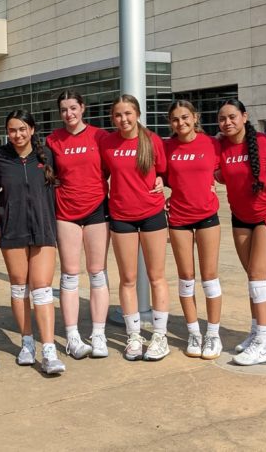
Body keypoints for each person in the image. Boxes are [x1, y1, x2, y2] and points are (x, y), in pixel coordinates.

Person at [218, 99, 266, 365]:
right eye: (222, 119)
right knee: (252, 279)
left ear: (244, 116)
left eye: (232, 117)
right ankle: (254, 333)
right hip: (240, 218)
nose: (227, 122)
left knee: (258, 278)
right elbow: (213, 174)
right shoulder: (220, 147)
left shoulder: (263, 142)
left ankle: (265, 343)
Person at [0, 110, 65, 374]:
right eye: (12, 130)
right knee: (19, 287)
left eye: (22, 129)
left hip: (43, 229)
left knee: (42, 288)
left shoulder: (47, 155)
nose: (17, 134)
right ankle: (26, 343)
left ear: (32, 130)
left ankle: (48, 350)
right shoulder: (0, 157)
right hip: (12, 229)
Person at [99, 94, 169, 361]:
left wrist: (162, 180)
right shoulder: (107, 143)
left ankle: (159, 336)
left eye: (128, 113)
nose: (123, 119)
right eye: (118, 115)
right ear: (112, 118)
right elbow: (101, 174)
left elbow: (163, 170)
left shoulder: (152, 141)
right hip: (121, 216)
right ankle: (134, 336)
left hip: (151, 214)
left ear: (137, 114)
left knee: (156, 276)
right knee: (127, 278)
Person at [45, 90, 110, 359]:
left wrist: (156, 180)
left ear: (82, 108)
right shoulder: (52, 140)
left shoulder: (100, 136)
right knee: (70, 274)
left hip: (96, 208)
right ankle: (72, 336)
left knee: (97, 272)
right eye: (64, 110)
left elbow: (118, 166)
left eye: (73, 108)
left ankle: (98, 334)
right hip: (66, 212)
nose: (69, 114)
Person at [164, 101, 223, 360]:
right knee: (186, 276)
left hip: (207, 216)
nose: (181, 123)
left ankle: (213, 333)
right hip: (178, 218)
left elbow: (223, 172)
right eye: (175, 120)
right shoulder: (167, 147)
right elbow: (157, 174)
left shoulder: (212, 144)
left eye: (185, 117)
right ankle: (194, 333)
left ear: (195, 117)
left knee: (209, 277)